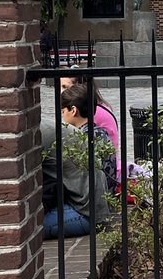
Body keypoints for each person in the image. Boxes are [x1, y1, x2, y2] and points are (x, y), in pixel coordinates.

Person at [41, 85, 111, 238]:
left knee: (23, 230)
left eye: (62, 111)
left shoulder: (41, 134)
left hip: (86, 213)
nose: (61, 115)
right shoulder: (50, 129)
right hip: (92, 204)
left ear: (73, 110)